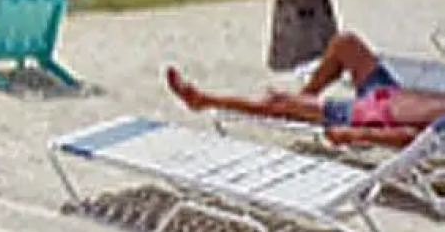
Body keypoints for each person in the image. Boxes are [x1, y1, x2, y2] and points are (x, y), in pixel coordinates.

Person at [164, 31, 445, 147]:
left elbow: (414, 138)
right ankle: (305, 99)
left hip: (372, 115)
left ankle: (203, 100)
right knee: (345, 43)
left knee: (279, 103)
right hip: (388, 92)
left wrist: (356, 134)